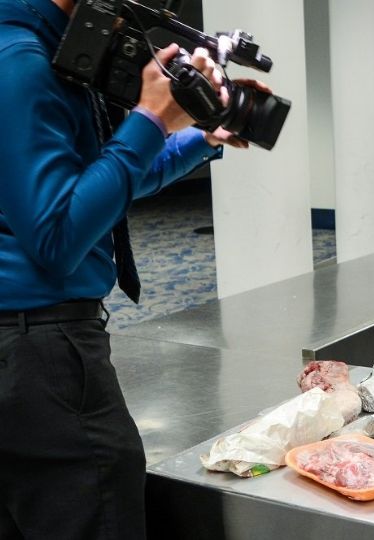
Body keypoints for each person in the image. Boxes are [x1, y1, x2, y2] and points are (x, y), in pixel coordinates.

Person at [0, 0, 253, 537]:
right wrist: (151, 119)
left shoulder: (49, 48)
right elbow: (57, 237)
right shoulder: (21, 61)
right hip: (41, 351)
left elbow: (101, 186)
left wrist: (198, 137)